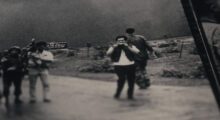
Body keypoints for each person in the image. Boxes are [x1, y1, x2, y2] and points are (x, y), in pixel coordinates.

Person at [107, 35, 140, 100]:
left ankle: (130, 95)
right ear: (116, 41)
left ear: (125, 41)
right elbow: (108, 53)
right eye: (119, 41)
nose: (121, 41)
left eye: (122, 40)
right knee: (121, 79)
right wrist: (113, 47)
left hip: (130, 65)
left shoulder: (129, 45)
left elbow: (137, 51)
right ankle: (117, 93)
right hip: (118, 65)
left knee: (131, 80)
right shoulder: (114, 47)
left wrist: (127, 46)